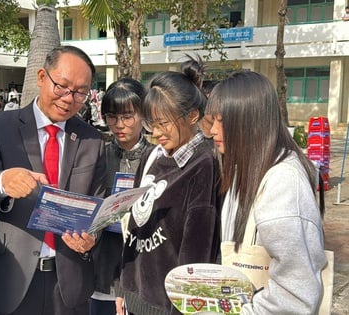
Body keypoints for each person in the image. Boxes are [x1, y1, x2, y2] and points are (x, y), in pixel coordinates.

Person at [0, 45, 107, 315]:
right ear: (42, 77)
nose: (69, 98)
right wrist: (3, 181)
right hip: (12, 277)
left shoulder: (93, 140)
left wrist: (92, 235)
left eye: (80, 92)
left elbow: (99, 204)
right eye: (62, 86)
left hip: (69, 281)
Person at [207, 70, 327, 314]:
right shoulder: (244, 167)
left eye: (222, 121)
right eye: (212, 121)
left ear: (249, 122)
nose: (212, 132)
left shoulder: (283, 182)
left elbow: (296, 295)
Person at [117, 57, 221, 315]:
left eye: (163, 123)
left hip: (167, 306)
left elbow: (196, 251)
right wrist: (123, 290)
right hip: (135, 297)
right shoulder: (153, 155)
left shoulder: (203, 164)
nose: (156, 132)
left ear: (192, 116)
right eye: (151, 124)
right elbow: (133, 230)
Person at [90, 78, 154, 315]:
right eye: (112, 117)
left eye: (127, 117)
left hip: (141, 268)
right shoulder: (96, 158)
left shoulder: (157, 159)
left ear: (143, 115)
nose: (119, 125)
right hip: (101, 269)